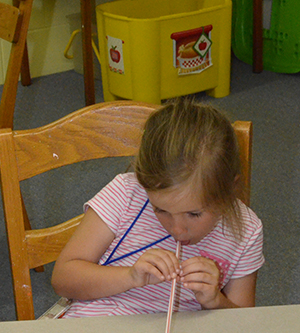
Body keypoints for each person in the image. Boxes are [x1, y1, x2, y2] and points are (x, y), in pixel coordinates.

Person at [51, 98, 264, 318]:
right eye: (160, 210)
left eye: (194, 214)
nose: (177, 230)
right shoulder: (126, 194)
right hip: (94, 328)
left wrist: (215, 301)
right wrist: (131, 276)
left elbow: (243, 324)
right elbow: (63, 280)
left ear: (229, 190)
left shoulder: (246, 231)